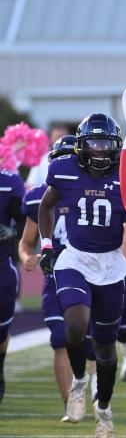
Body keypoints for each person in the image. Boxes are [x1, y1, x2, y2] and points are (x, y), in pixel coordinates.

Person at [38, 114, 126, 438]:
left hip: (111, 264)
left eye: (106, 143)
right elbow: (46, 206)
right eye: (93, 143)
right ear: (80, 145)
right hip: (76, 258)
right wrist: (47, 244)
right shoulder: (62, 170)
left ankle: (104, 410)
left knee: (106, 349)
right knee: (75, 324)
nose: (99, 150)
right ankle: (79, 380)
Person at [19, 135, 80, 418]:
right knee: (59, 338)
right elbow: (25, 241)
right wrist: (26, 257)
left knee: (89, 343)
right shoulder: (36, 198)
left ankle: (93, 396)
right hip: (54, 278)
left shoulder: (90, 190)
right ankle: (70, 403)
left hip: (86, 276)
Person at [0, 150, 26, 402]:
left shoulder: (9, 181)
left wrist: (11, 230)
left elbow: (26, 218)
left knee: (1, 331)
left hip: (1, 267)